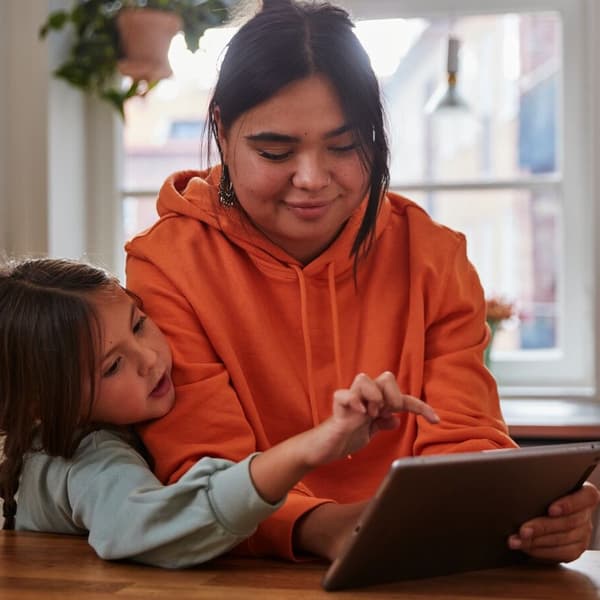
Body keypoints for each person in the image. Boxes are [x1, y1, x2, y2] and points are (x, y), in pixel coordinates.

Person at [125, 0, 600, 563]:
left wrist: (526, 514)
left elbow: (465, 438)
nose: (311, 179)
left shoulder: (433, 256)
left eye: (344, 147)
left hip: (415, 561)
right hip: (241, 571)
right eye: (274, 151)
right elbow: (200, 472)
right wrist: (321, 526)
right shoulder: (167, 265)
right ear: (222, 132)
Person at [0, 256, 439, 568]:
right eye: (113, 365)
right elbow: (145, 525)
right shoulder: (83, 458)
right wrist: (304, 450)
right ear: (41, 400)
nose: (151, 358)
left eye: (138, 324)